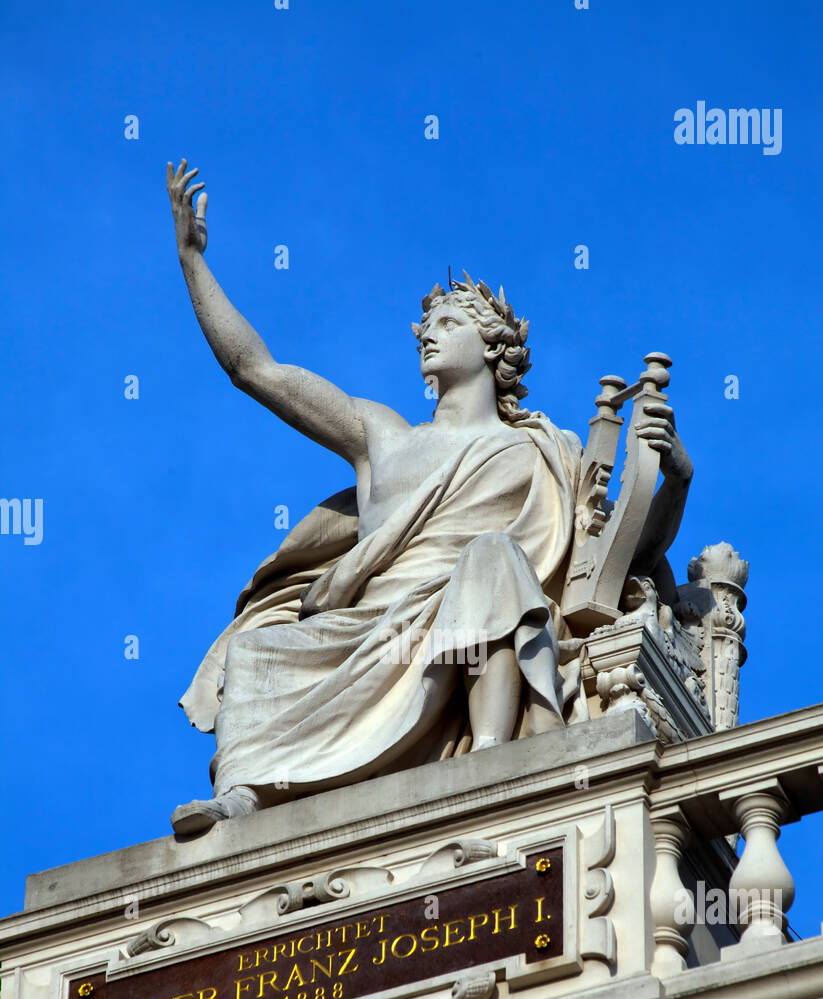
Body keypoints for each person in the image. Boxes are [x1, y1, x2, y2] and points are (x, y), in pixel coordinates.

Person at [166, 159, 691, 835]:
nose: (428, 333)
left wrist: (675, 475)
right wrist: (192, 262)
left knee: (492, 559)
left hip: (468, 614)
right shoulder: (381, 437)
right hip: (374, 624)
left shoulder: (545, 451)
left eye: (447, 320)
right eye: (426, 327)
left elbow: (628, 557)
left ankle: (494, 757)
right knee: (260, 651)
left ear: (494, 346)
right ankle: (246, 796)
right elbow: (256, 370)